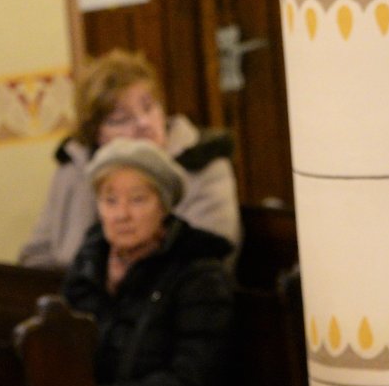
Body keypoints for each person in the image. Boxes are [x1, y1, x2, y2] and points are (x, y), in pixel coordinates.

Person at [62, 139, 236, 386]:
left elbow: (190, 382)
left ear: (164, 206)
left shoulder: (199, 273)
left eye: (137, 199)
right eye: (110, 200)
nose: (121, 214)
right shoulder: (89, 263)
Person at [18, 48, 240, 273]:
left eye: (149, 106)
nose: (144, 123)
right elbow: (36, 257)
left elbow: (210, 262)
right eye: (122, 119)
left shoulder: (202, 164)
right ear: (97, 135)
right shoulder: (74, 170)